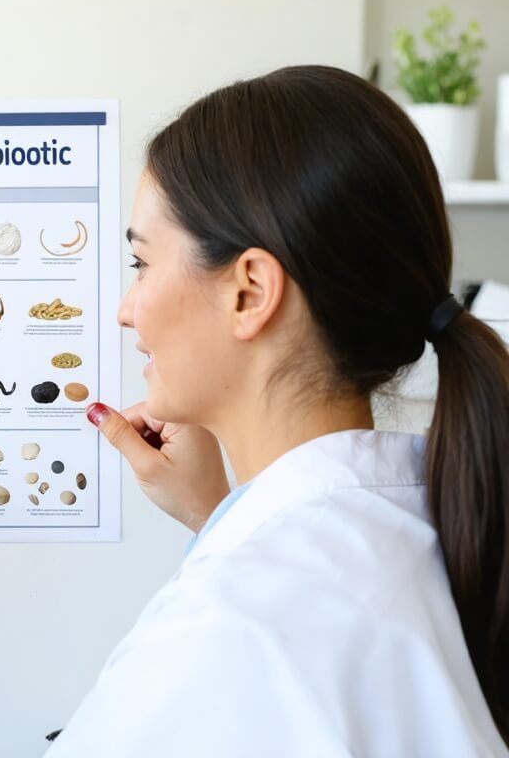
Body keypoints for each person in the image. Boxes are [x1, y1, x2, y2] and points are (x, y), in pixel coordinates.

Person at [49, 65, 509, 756]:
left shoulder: (240, 618)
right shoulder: (432, 521)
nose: (125, 311)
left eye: (142, 264)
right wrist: (217, 518)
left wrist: (229, 544)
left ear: (250, 291)